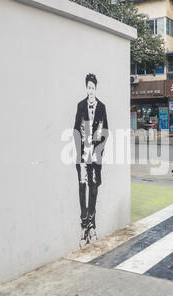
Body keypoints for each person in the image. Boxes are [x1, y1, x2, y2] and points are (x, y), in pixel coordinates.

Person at [73, 74, 108, 247]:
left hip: (95, 155)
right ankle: (84, 224)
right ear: (86, 88)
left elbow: (105, 132)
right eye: (88, 87)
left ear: (96, 88)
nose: (91, 90)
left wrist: (98, 151)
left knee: (93, 188)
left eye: (93, 87)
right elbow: (75, 130)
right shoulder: (80, 106)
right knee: (82, 187)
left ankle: (92, 225)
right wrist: (80, 152)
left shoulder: (101, 107)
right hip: (82, 155)